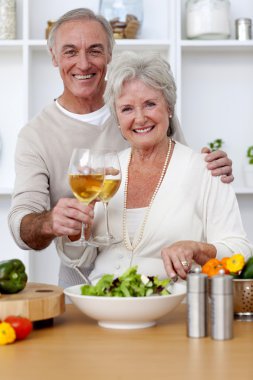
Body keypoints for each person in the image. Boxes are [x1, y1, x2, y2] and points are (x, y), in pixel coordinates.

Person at [8, 8, 233, 283]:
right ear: (54, 57)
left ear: (110, 55)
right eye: (70, 51)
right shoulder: (36, 135)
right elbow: (21, 220)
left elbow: (180, 172)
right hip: (79, 276)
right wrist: (48, 222)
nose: (83, 63)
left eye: (94, 50)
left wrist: (212, 168)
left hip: (157, 276)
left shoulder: (143, 103)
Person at [57, 51, 252, 287]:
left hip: (173, 307)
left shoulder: (205, 169)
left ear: (169, 107)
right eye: (127, 109)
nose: (139, 119)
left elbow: (240, 252)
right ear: (117, 117)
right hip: (103, 301)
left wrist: (197, 249)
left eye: (150, 104)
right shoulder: (107, 171)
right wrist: (77, 229)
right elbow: (79, 258)